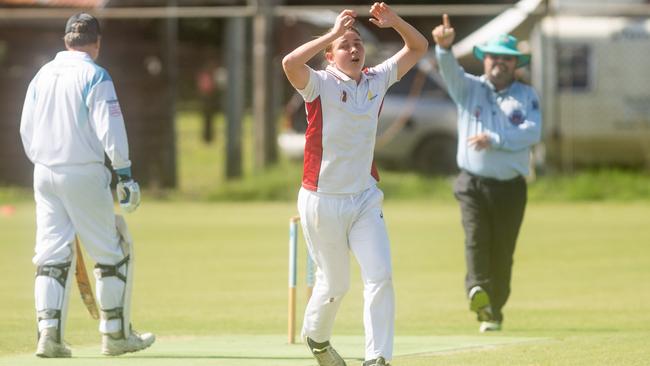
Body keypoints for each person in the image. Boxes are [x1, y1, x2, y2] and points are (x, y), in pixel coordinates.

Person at [282, 3, 427, 366]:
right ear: (330, 56)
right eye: (345, 45)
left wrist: (394, 23)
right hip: (322, 199)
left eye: (357, 42)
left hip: (364, 198)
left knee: (380, 275)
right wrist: (332, 33)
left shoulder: (377, 79)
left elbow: (418, 48)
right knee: (335, 285)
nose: (354, 48)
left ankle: (376, 357)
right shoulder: (320, 84)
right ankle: (316, 338)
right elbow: (289, 64)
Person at [19, 13, 155, 357]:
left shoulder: (42, 75)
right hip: (84, 172)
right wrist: (124, 173)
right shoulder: (95, 75)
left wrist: (44, 161)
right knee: (113, 251)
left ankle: (48, 335)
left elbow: (26, 128)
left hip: (44, 171)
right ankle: (116, 334)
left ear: (66, 41)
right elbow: (110, 130)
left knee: (50, 254)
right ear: (96, 43)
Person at [431, 14, 542, 332]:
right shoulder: (469, 89)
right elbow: (450, 71)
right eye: (494, 57)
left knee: (503, 250)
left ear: (514, 64)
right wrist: (443, 49)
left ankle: (493, 307)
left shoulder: (526, 95)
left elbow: (531, 133)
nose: (499, 63)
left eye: (506, 59)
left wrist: (494, 139)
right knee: (476, 238)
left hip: (509, 186)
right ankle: (477, 290)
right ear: (486, 60)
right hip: (472, 183)